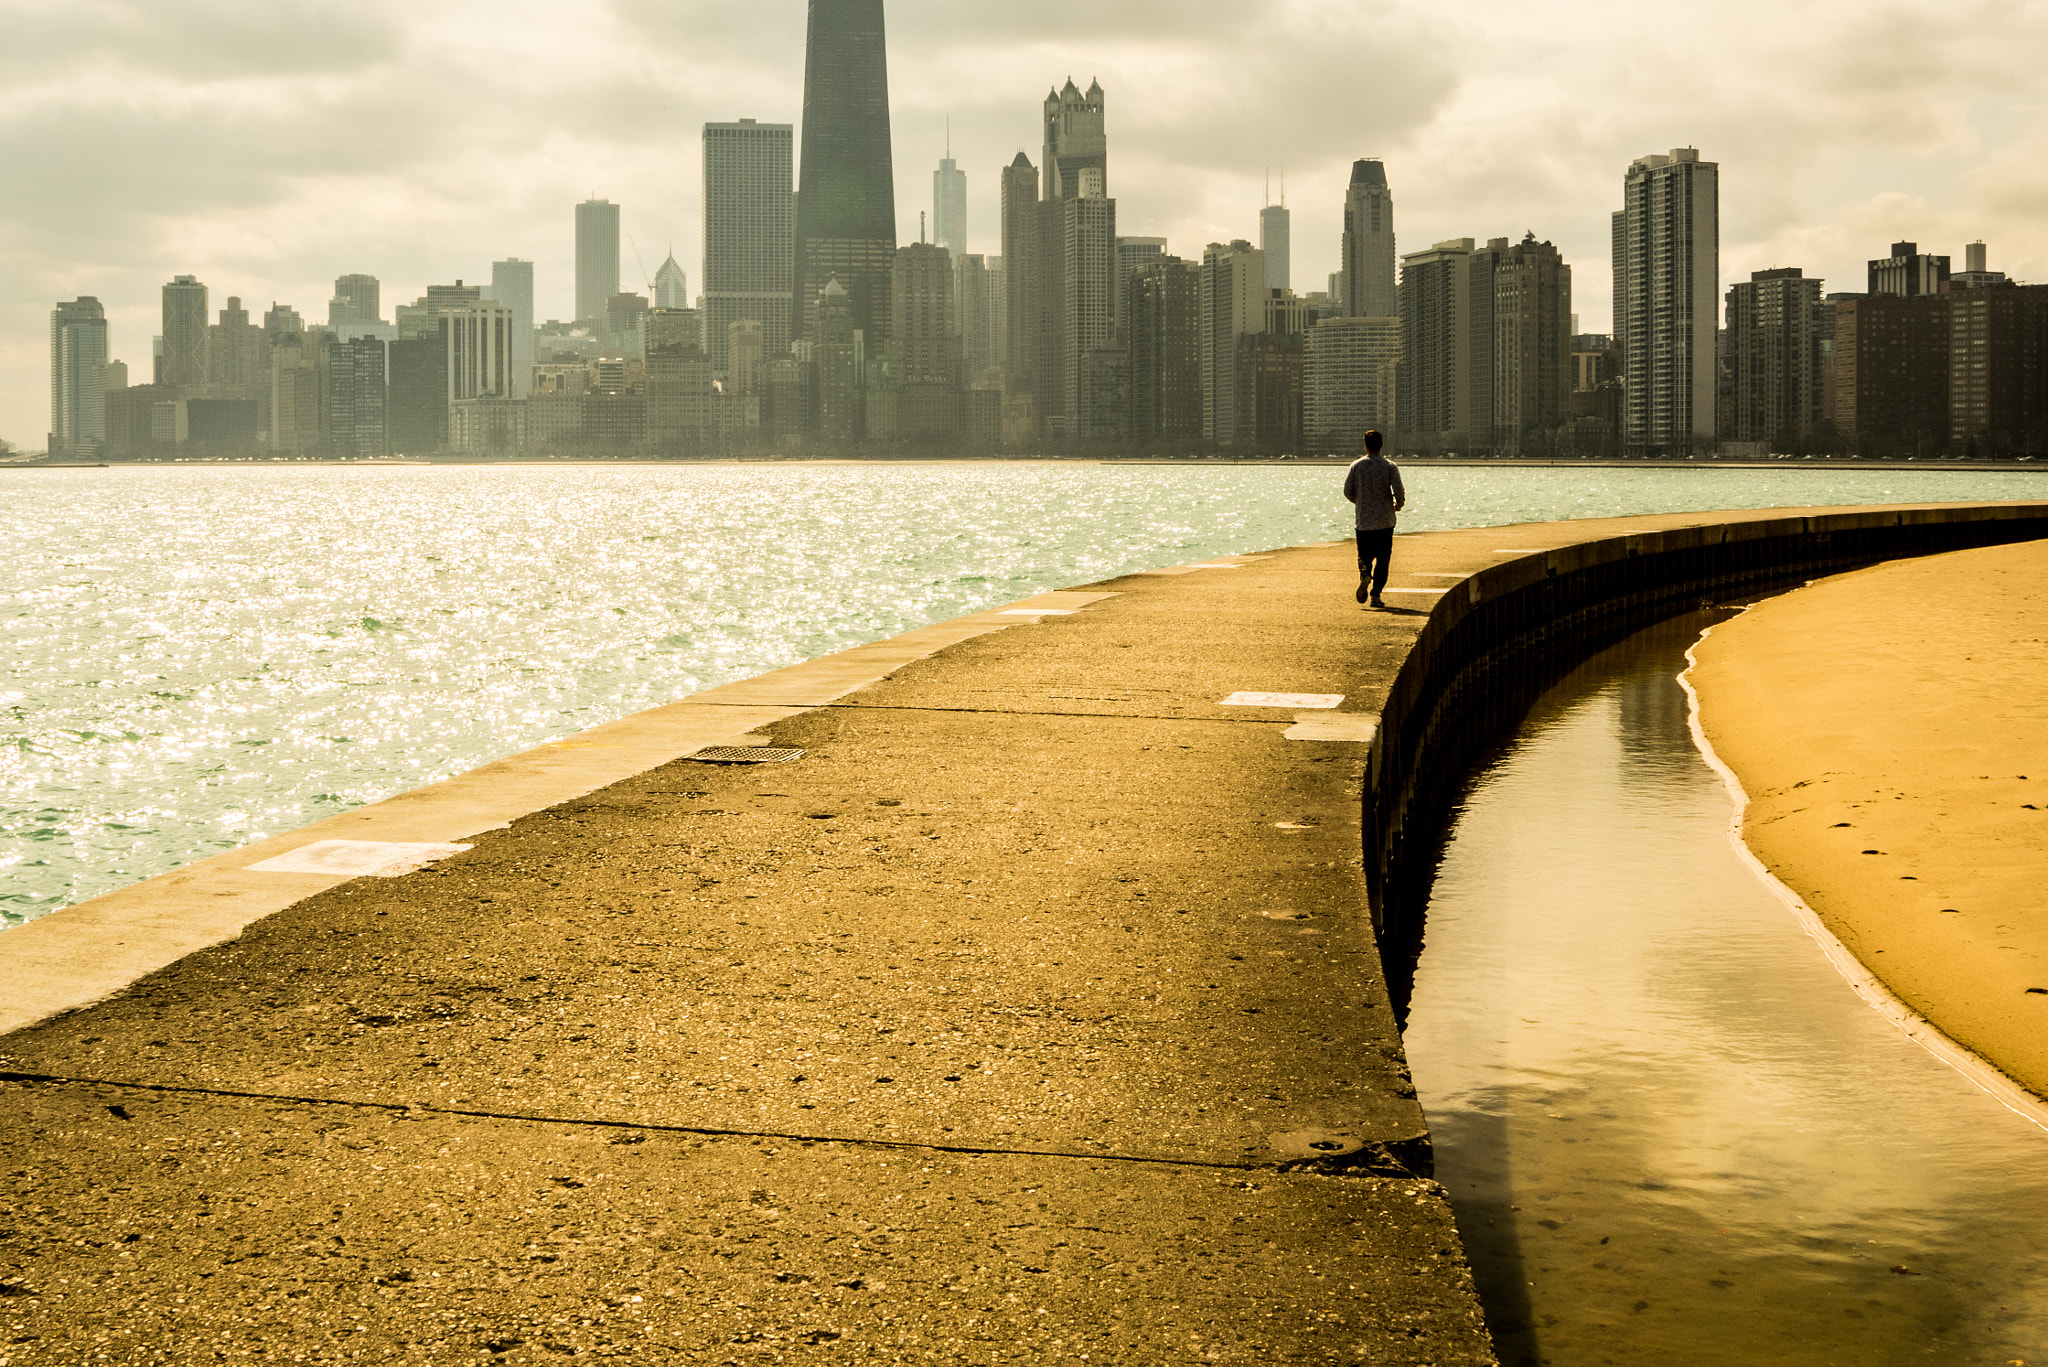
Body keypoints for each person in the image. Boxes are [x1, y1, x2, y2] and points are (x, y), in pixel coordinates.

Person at [1342, 429, 1405, 608]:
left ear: (1365, 445)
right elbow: (1398, 490)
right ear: (1382, 445)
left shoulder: (1356, 465)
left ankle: (1365, 575)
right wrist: (1398, 504)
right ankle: (1375, 595)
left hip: (1364, 521)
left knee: (1364, 555)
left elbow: (1347, 491)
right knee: (1383, 559)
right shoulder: (1390, 466)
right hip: (1385, 521)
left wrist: (1360, 502)